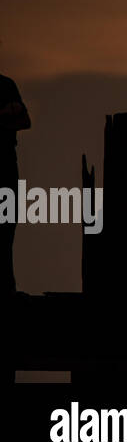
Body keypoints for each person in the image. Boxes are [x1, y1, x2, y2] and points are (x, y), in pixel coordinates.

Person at [0, 71, 31, 300]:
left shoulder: (6, 84)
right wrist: (6, 113)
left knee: (7, 225)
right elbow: (17, 118)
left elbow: (25, 121)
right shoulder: (7, 87)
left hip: (6, 163)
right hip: (6, 161)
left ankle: (6, 287)